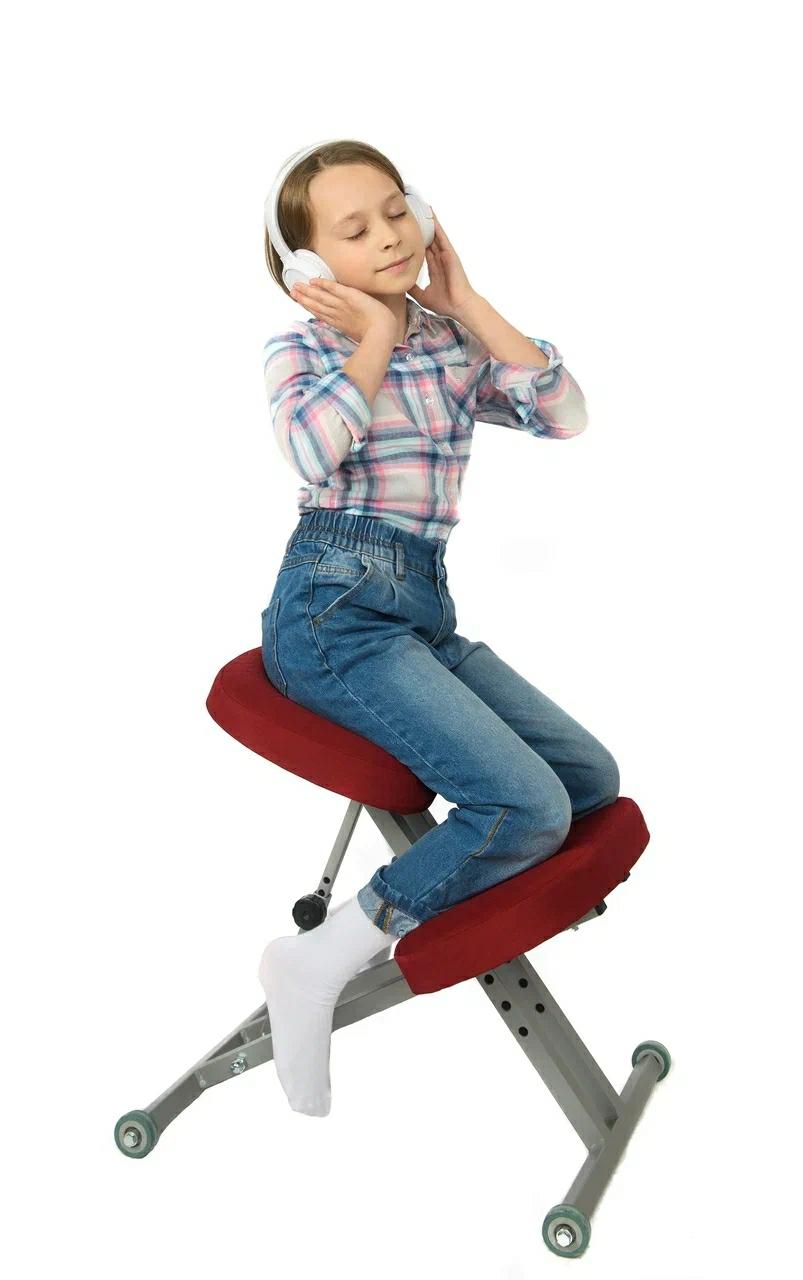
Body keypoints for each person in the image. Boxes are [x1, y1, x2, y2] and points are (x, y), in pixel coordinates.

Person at [257, 138, 620, 1117]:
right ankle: (316, 959)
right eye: (354, 229)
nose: (388, 235)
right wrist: (372, 333)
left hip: (420, 606)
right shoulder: (302, 348)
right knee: (524, 808)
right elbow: (311, 448)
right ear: (308, 265)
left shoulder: (449, 342)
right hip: (330, 612)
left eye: (395, 210)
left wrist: (466, 303)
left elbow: (566, 414)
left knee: (585, 782)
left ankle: (427, 907)